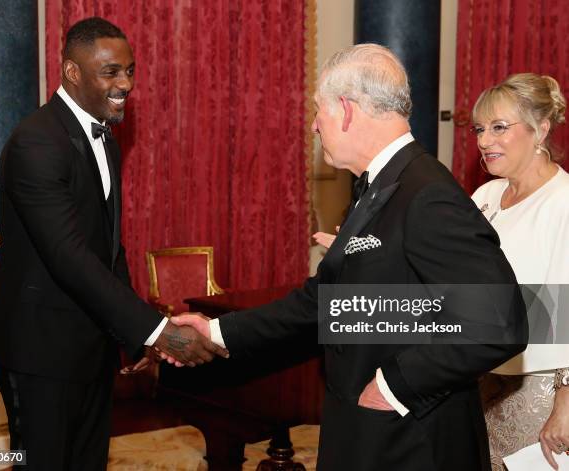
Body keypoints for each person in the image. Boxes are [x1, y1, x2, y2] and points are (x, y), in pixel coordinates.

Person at [166, 44, 528, 471]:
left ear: (347, 109)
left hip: (411, 442)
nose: (316, 126)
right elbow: (323, 301)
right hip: (370, 432)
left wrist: (395, 383)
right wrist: (219, 331)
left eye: (318, 111)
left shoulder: (426, 193)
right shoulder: (378, 185)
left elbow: (499, 321)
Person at [0, 17, 227, 470]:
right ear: (73, 73)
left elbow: (109, 248)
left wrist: (127, 338)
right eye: (111, 72)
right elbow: (69, 257)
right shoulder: (35, 142)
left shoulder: (106, 136)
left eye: (130, 70)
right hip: (38, 351)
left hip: (90, 347)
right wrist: (157, 333)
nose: (126, 83)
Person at [470, 73, 569, 470]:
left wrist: (565, 404)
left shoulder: (562, 203)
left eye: (499, 127)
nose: (483, 140)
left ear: (540, 129)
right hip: (482, 377)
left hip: (539, 390)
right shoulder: (486, 196)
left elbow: (567, 311)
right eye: (479, 128)